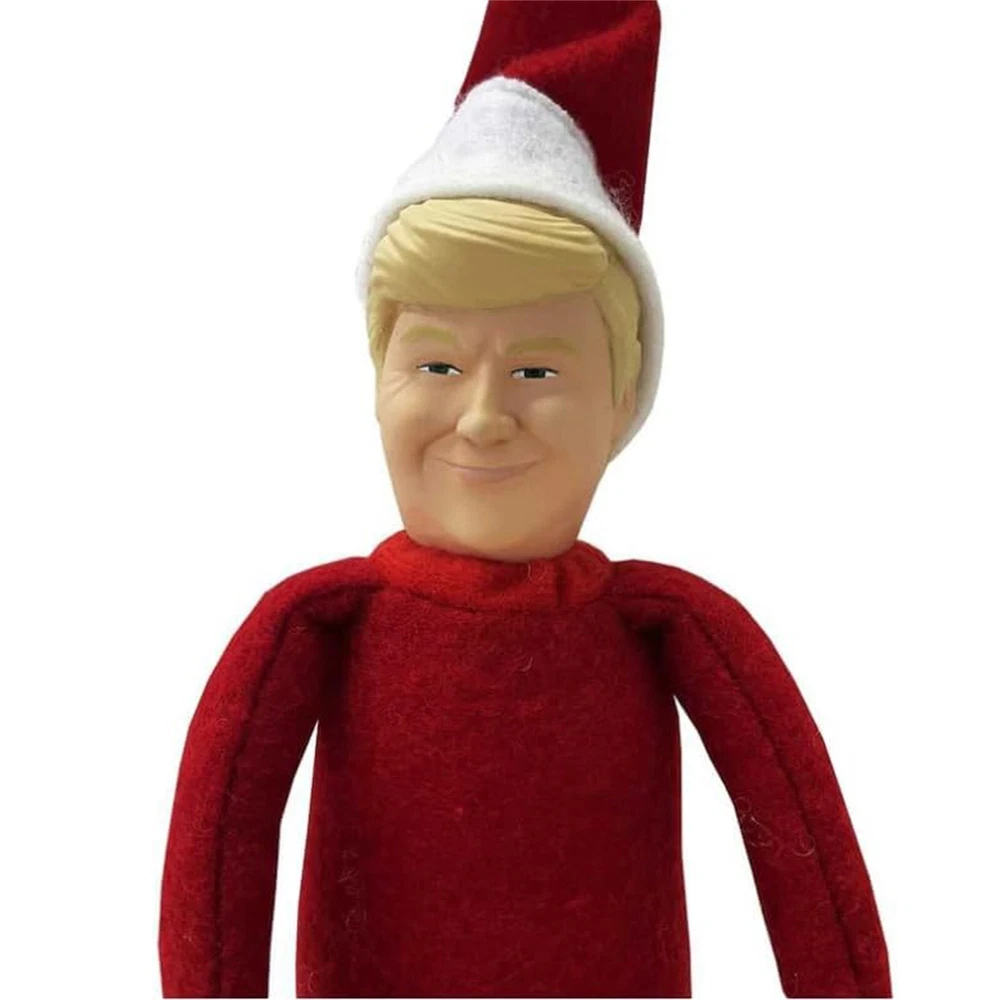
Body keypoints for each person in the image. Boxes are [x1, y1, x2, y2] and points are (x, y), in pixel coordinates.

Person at [160, 3, 891, 996]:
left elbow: (807, 863)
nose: (481, 417)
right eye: (436, 363)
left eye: (537, 371)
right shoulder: (317, 624)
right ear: (376, 380)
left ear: (623, 399)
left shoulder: (667, 625)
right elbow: (217, 864)